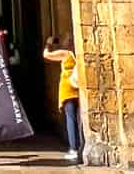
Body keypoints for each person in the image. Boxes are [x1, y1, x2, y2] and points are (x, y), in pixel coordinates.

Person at [44, 33, 83, 166]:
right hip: (77, 90)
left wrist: (48, 44)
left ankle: (74, 149)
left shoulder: (66, 54)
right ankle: (80, 147)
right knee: (78, 120)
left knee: (70, 120)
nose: (63, 42)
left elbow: (46, 55)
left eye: (66, 40)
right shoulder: (78, 54)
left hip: (68, 90)